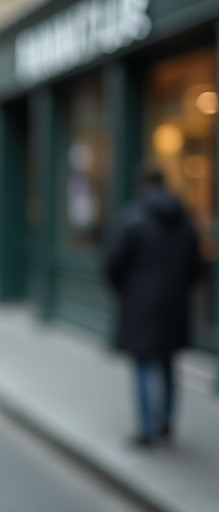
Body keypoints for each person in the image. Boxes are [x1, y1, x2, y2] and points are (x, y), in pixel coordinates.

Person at [104, 166, 203, 447]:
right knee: (169, 364)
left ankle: (147, 430)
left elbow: (113, 264)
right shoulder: (185, 219)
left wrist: (128, 291)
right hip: (175, 304)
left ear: (142, 186)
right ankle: (166, 424)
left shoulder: (132, 217)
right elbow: (197, 267)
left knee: (144, 365)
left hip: (140, 305)